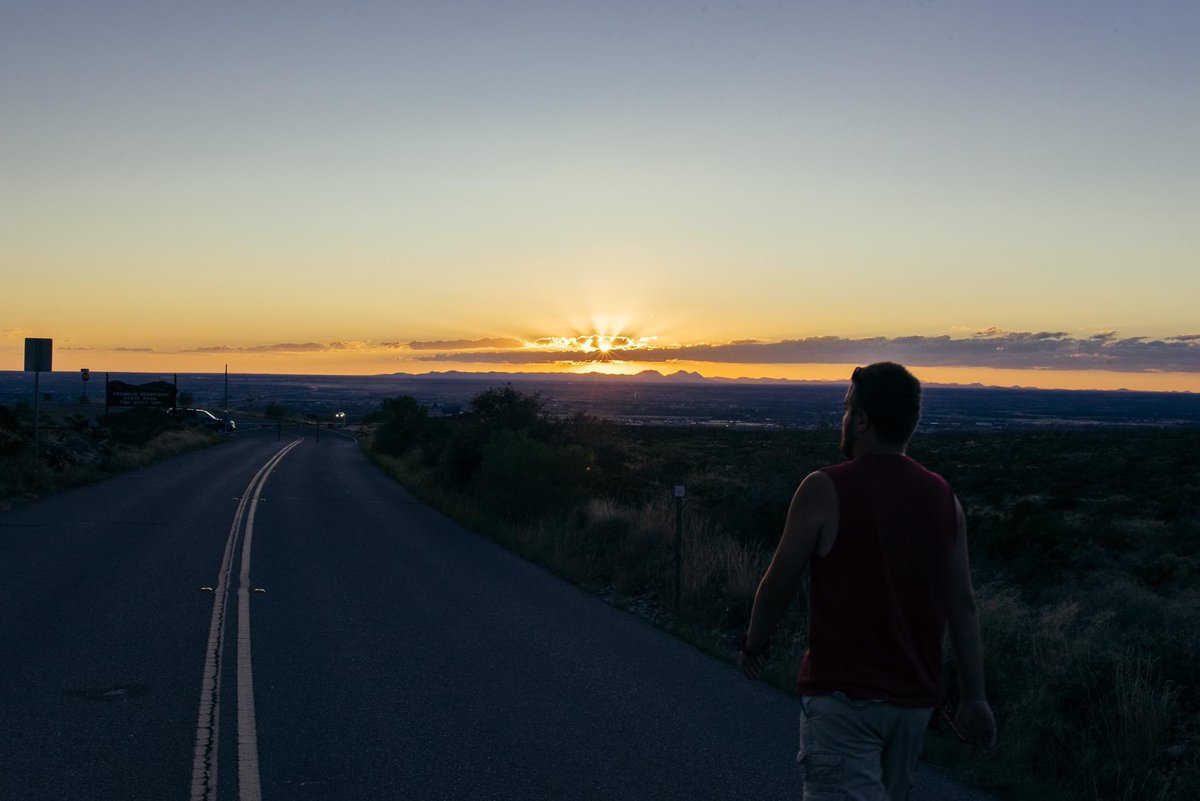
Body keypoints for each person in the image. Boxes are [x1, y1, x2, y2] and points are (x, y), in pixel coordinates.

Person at [740, 362, 995, 801]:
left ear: (861, 419)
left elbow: (779, 581)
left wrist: (754, 644)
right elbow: (963, 605)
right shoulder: (944, 498)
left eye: (845, 409)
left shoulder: (823, 489)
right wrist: (975, 698)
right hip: (912, 709)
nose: (843, 419)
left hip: (843, 703)